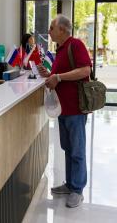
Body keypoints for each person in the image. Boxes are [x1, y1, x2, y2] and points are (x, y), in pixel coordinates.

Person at [38, 14, 91, 208]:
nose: (49, 31)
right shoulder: (60, 49)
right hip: (63, 109)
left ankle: (77, 190)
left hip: (76, 108)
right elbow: (60, 75)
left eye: (52, 27)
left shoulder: (75, 45)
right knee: (68, 148)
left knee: (77, 150)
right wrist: (50, 75)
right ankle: (70, 184)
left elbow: (85, 70)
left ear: (62, 30)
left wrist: (58, 77)